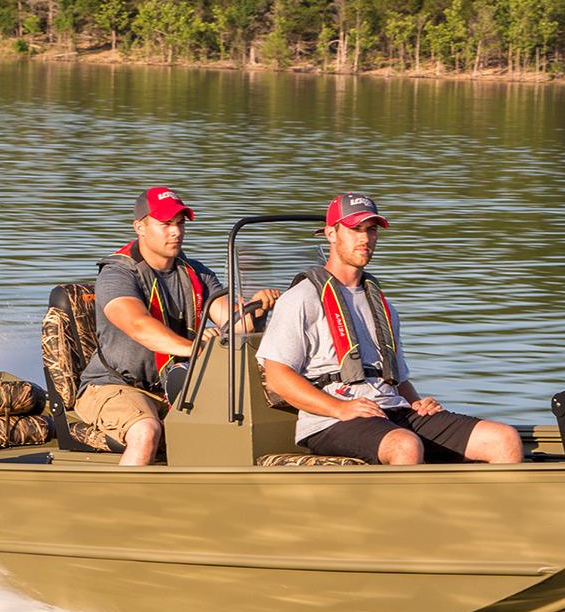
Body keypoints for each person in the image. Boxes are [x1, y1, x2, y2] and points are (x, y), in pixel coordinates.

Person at [257, 193, 523, 465]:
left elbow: (397, 378)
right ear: (331, 233)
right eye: (355, 229)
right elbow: (278, 378)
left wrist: (416, 403)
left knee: (504, 439)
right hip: (331, 421)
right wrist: (340, 408)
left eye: (371, 230)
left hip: (392, 411)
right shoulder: (301, 298)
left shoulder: (383, 305)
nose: (365, 238)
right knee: (405, 446)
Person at [76, 187, 278, 465]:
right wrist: (194, 348)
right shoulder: (118, 273)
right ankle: (121, 503)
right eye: (165, 224)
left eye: (180, 223)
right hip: (115, 386)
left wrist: (259, 308)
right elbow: (137, 324)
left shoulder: (197, 273)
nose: (176, 232)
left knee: (237, 423)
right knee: (146, 431)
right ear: (140, 227)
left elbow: (236, 324)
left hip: (180, 385)